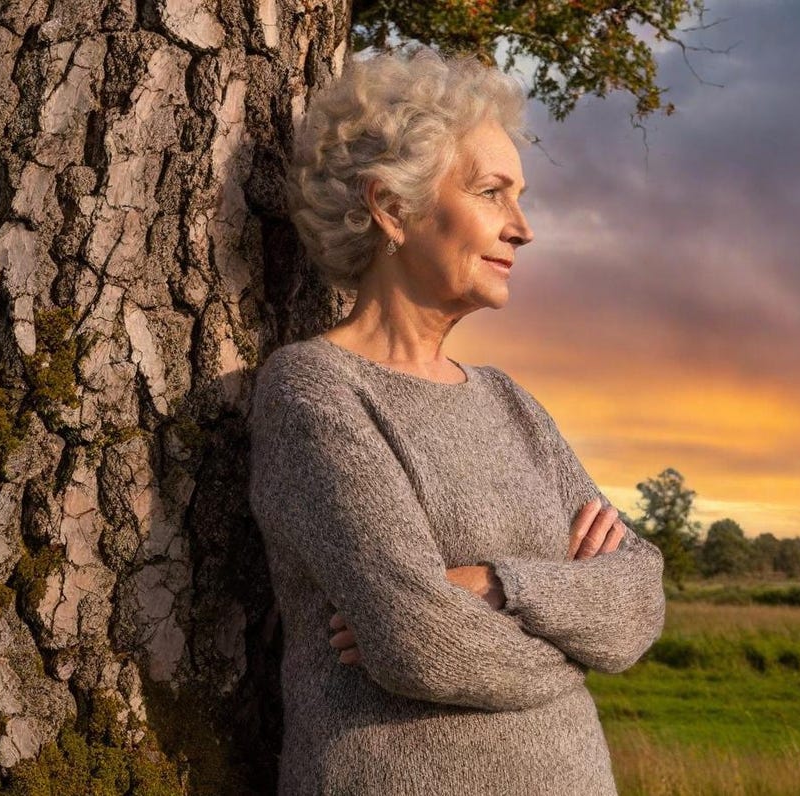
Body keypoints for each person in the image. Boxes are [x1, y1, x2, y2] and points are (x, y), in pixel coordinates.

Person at [247, 46, 665, 795]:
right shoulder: (315, 391)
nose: (522, 228)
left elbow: (638, 597)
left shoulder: (509, 402)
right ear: (390, 206)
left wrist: (501, 587)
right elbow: (417, 642)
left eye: (520, 195)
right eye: (491, 193)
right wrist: (576, 645)